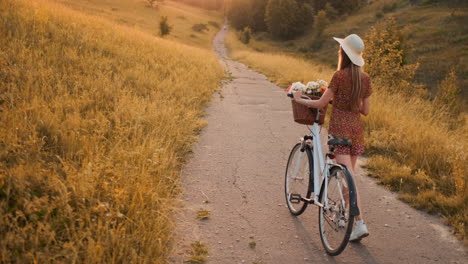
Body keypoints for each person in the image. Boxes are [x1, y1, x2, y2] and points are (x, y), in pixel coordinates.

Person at [292, 34, 372, 242]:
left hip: (340, 131)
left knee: (348, 180)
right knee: (348, 177)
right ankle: (346, 218)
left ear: (343, 53)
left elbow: (320, 104)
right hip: (356, 131)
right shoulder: (365, 79)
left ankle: (360, 222)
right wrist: (348, 102)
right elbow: (365, 111)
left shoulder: (339, 77)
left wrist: (301, 100)